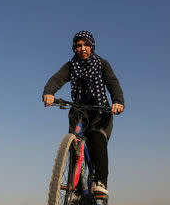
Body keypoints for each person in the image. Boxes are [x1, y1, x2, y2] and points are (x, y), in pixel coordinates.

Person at [43, 30, 124, 196]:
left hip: (100, 112)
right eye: (79, 46)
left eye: (86, 44)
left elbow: (112, 82)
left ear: (91, 46)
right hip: (79, 112)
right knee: (74, 146)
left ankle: (100, 182)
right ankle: (77, 190)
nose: (82, 48)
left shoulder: (102, 64)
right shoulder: (71, 66)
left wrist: (118, 101)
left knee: (97, 139)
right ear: (74, 48)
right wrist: (49, 92)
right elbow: (57, 79)